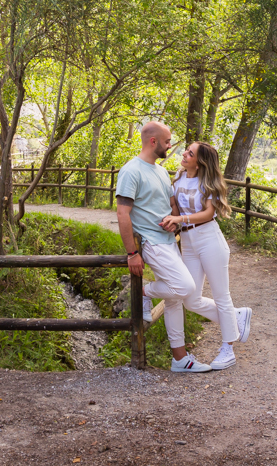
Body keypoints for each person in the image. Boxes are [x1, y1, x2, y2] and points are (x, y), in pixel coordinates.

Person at [115, 121, 212, 373]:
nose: (171, 146)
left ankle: (180, 359)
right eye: (168, 141)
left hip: (168, 240)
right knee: (184, 286)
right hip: (151, 242)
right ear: (153, 141)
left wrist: (176, 223)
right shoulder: (131, 171)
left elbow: (171, 204)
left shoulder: (160, 171)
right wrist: (132, 253)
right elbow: (123, 214)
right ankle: (145, 293)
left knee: (174, 299)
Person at [159, 141, 252, 370]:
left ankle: (228, 349)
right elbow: (176, 209)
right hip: (188, 242)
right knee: (190, 298)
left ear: (200, 162)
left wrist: (179, 220)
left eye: (190, 153)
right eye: (187, 150)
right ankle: (236, 316)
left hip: (209, 239)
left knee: (222, 295)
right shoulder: (179, 177)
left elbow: (208, 213)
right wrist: (172, 221)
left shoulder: (207, 183)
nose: (184, 154)